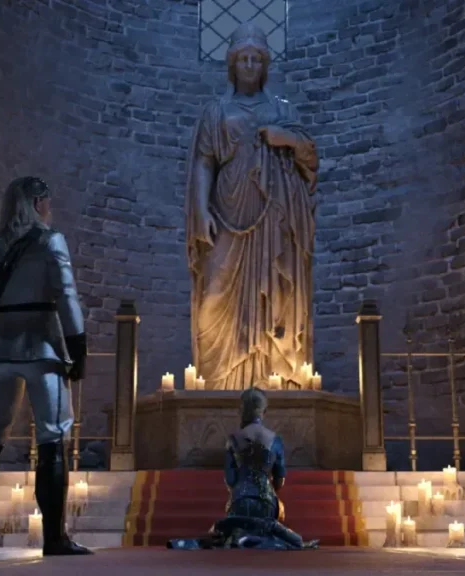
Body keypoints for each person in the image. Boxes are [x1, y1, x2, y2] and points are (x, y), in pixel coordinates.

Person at [0, 176, 91, 557]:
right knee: (52, 437)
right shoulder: (51, 242)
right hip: (43, 347)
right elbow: (66, 296)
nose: (49, 207)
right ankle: (54, 538)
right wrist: (77, 348)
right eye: (46, 200)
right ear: (36, 203)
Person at [185, 22, 319, 390]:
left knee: (277, 291)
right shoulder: (216, 111)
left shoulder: (281, 109)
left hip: (275, 213)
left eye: (255, 59)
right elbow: (204, 162)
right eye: (242, 59)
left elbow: (310, 157)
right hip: (227, 208)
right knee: (214, 295)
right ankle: (217, 385)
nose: (248, 65)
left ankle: (274, 379)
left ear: (264, 65)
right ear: (232, 64)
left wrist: (285, 137)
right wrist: (201, 211)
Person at [167, 387, 317, 550]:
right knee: (270, 535)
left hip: (239, 502)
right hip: (266, 504)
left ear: (241, 411)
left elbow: (230, 480)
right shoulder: (275, 439)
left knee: (230, 536)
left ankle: (241, 537)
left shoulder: (233, 439)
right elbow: (280, 480)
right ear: (264, 411)